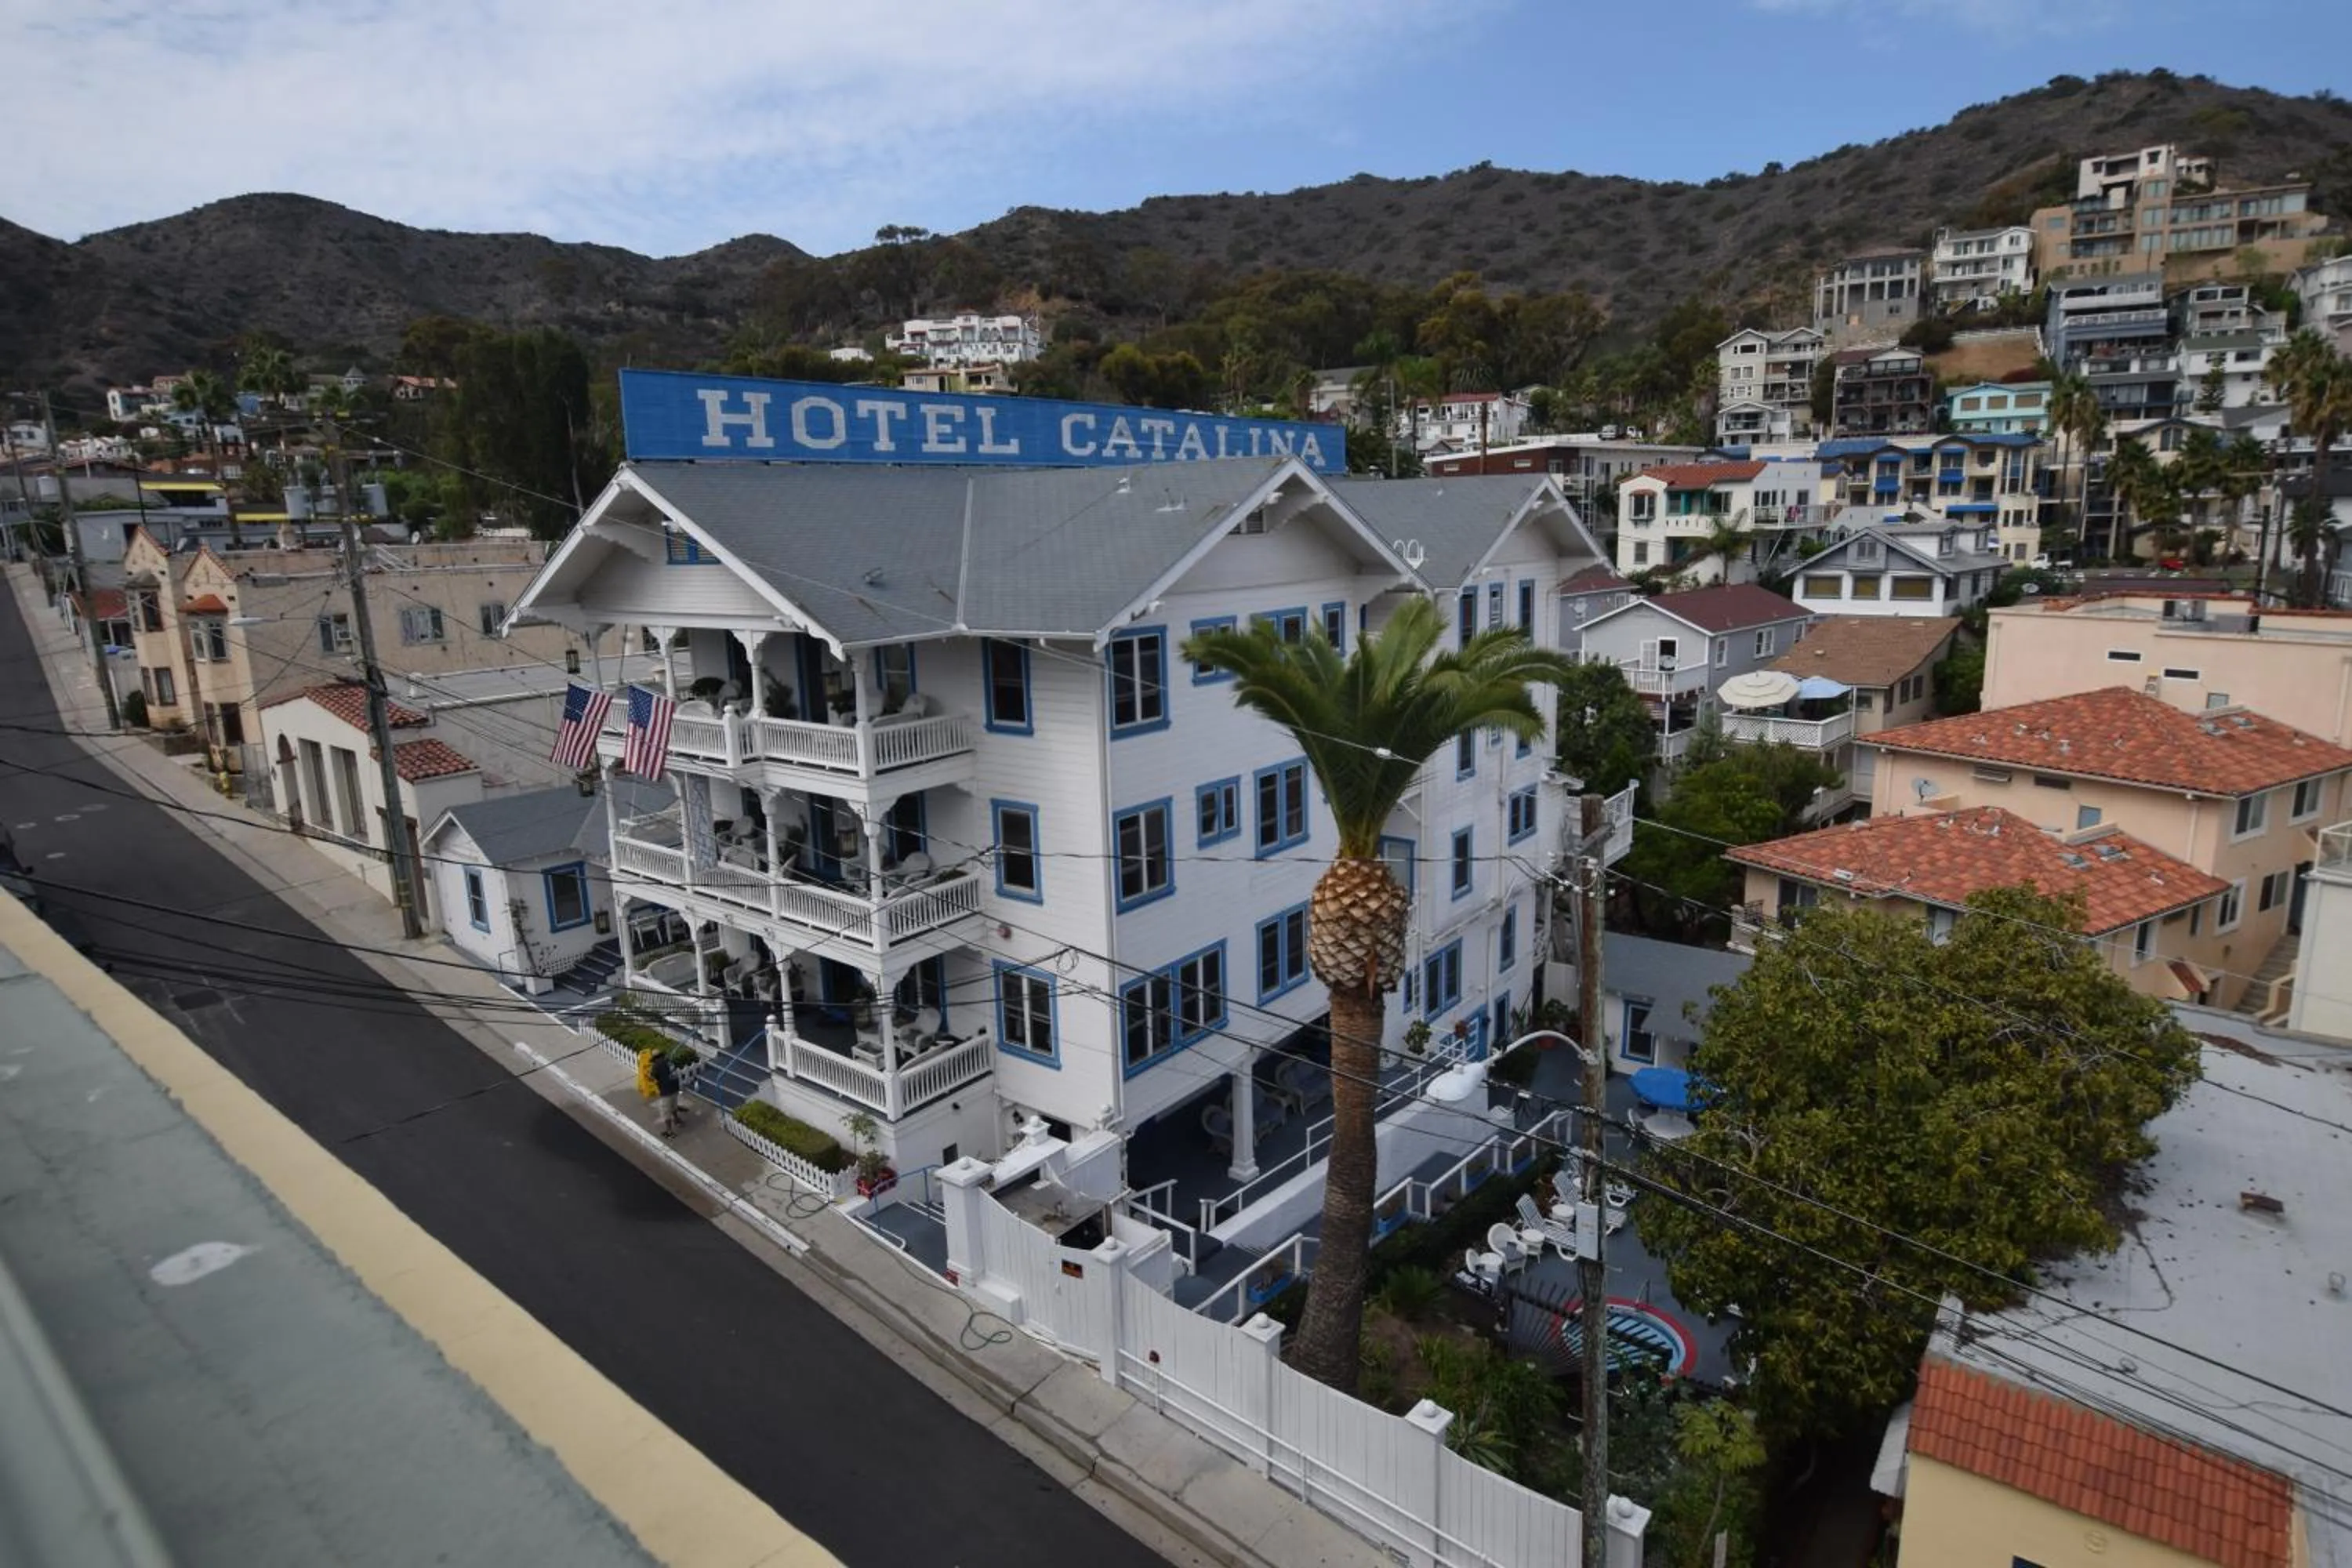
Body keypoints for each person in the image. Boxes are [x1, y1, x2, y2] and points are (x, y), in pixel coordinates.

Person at [651, 1051, 681, 1137]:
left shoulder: (657, 1064)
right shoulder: (669, 1061)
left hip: (666, 1090)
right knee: (674, 1105)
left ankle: (669, 1131)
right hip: (675, 1087)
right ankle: (676, 1119)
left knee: (666, 1111)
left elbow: (653, 1076)